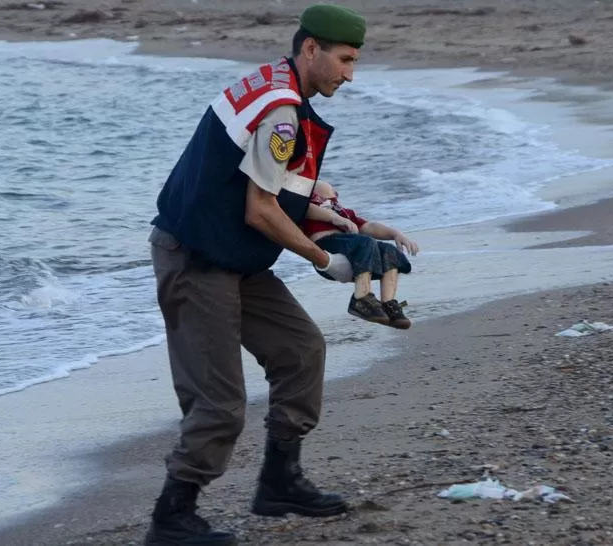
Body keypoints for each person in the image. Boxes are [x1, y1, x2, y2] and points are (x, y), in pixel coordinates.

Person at [143, 4, 367, 545]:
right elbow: (260, 209)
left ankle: (278, 481)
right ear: (310, 48)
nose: (350, 74)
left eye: (355, 61)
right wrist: (324, 261)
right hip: (196, 260)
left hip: (235, 259)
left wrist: (338, 219)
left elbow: (274, 184)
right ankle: (172, 517)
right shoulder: (283, 112)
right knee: (218, 402)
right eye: (343, 59)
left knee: (301, 350)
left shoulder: (274, 84)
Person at [301, 180, 419, 329]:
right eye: (330, 190)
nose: (333, 194)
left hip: (354, 252)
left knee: (389, 251)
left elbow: (369, 226)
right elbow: (305, 208)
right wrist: (333, 217)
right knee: (366, 242)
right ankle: (361, 297)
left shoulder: (344, 213)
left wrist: (395, 234)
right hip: (326, 247)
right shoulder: (309, 208)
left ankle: (388, 304)